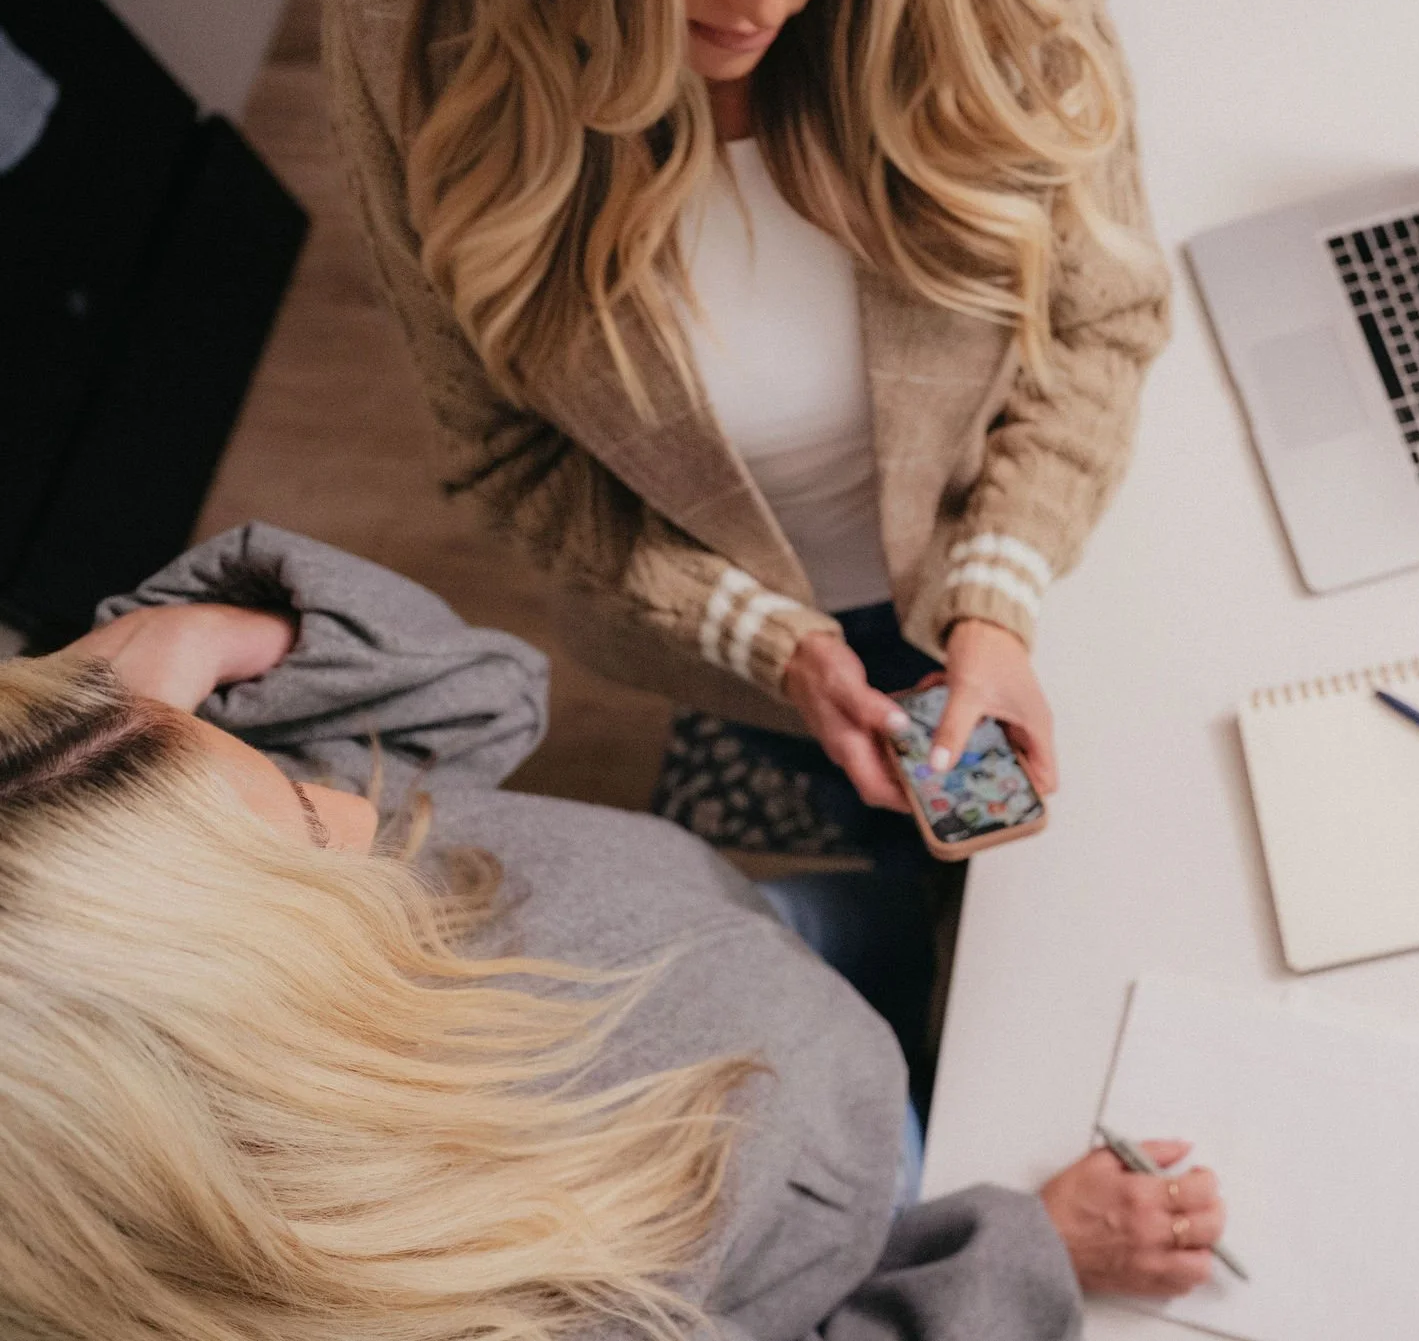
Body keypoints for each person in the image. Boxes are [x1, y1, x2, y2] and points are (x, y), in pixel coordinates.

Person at [323, 0, 1169, 1059]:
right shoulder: (406, 50)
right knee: (859, 802)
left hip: (1004, 550)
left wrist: (992, 597)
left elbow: (1104, 320)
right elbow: (509, 459)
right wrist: (768, 642)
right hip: (722, 629)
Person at [0, 524, 1226, 1340]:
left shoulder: (218, 859)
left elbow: (483, 694)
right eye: (319, 839)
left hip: (761, 935)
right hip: (870, 1205)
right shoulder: (498, 1300)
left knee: (886, 929)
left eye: (269, 756)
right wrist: (1036, 1251)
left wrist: (212, 641)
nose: (355, 808)